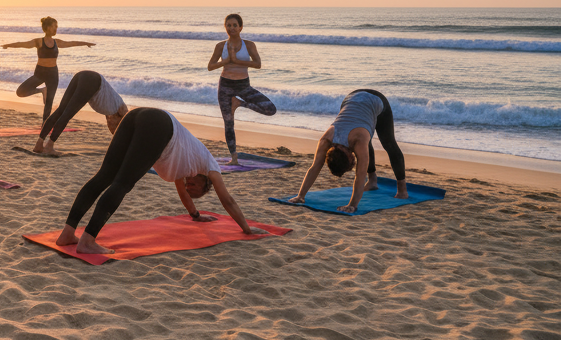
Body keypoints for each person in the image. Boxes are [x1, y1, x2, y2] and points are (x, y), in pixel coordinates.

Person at [57, 107, 268, 255]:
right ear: (206, 184)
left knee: (104, 176)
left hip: (138, 115)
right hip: (159, 124)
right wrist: (246, 228)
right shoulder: (211, 167)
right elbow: (227, 200)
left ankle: (68, 234)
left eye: (189, 187)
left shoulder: (183, 168)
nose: (188, 185)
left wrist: (195, 215)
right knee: (122, 183)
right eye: (194, 186)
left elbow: (183, 194)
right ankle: (88, 241)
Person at [283, 89, 407, 213]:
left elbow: (360, 176)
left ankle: (402, 190)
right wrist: (300, 196)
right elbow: (314, 167)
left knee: (389, 143)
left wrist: (352, 205)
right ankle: (372, 181)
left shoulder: (357, 139)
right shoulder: (326, 140)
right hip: (352, 98)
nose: (354, 159)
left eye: (352, 161)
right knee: (364, 143)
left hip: (376, 99)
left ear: (348, 155)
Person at [206, 13, 276, 165]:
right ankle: (234, 158)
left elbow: (257, 64)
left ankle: (239, 103)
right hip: (225, 86)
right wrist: (225, 61)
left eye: (234, 25)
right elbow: (210, 66)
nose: (231, 28)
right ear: (225, 27)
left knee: (270, 109)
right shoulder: (220, 46)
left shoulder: (249, 45)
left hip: (244, 86)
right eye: (228, 25)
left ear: (241, 27)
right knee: (228, 123)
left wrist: (237, 61)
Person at [2, 16, 95, 123]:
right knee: (21, 92)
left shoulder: (57, 42)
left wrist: (85, 43)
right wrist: (8, 45)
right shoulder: (39, 42)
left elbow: (71, 43)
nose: (56, 29)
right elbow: (23, 44)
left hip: (53, 74)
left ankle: (44, 124)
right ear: (48, 27)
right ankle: (42, 90)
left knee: (49, 103)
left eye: (57, 27)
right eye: (55, 26)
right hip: (40, 73)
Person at [32, 70, 130, 155]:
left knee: (60, 110)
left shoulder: (110, 107)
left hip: (82, 75)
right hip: (92, 81)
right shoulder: (122, 108)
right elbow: (123, 125)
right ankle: (49, 146)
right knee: (67, 114)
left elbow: (113, 128)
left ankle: (39, 145)